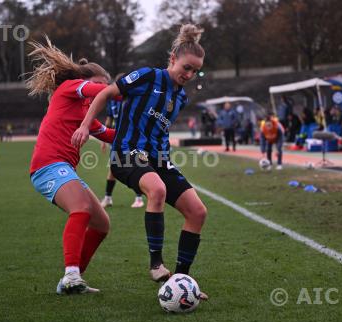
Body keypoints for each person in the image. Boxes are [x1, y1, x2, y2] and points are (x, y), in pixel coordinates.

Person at [72, 24, 209, 300]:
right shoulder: (147, 76)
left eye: (195, 71)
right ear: (173, 59)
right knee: (156, 190)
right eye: (186, 67)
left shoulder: (180, 97)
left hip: (159, 159)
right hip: (126, 155)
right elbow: (105, 93)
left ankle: (182, 280)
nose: (189, 74)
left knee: (198, 212)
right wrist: (87, 125)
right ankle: (156, 264)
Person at [26, 37, 116, 295]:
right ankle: (71, 274)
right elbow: (99, 92)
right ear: (87, 81)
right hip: (47, 166)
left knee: (101, 224)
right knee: (81, 208)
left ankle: (72, 281)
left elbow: (109, 135)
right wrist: (123, 87)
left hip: (62, 167)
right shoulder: (70, 87)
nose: (102, 91)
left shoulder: (85, 113)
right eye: (100, 85)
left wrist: (141, 134)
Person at [100, 79, 144, 209]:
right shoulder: (112, 101)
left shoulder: (132, 100)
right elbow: (109, 119)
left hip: (131, 139)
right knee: (113, 168)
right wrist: (103, 141)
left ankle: (139, 198)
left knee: (134, 166)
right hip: (117, 138)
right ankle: (108, 197)